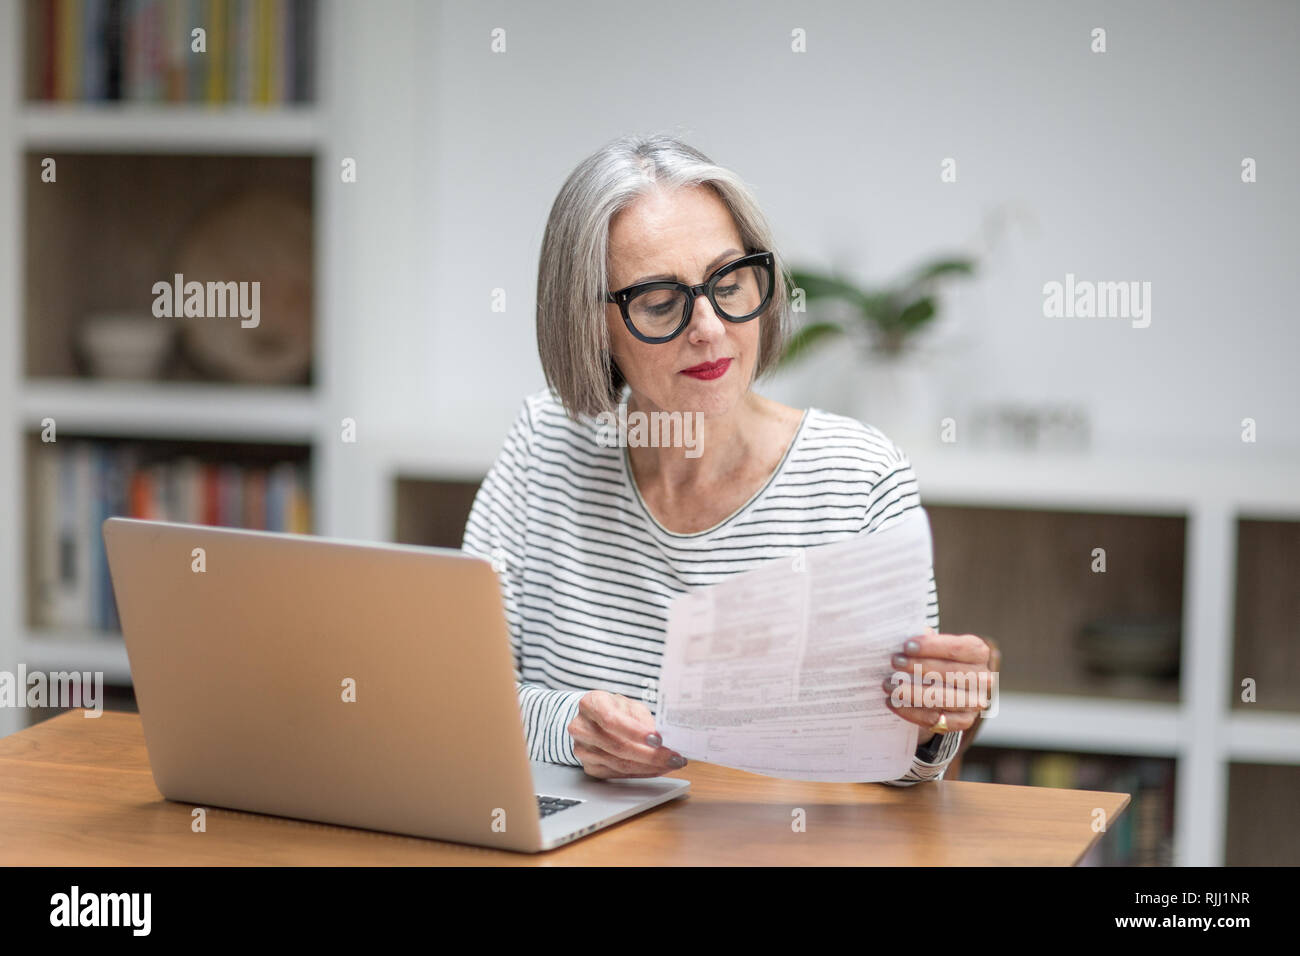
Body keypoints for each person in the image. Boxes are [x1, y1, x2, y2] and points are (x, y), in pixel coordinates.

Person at [463, 133, 995, 784]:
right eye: (660, 302)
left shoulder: (857, 476)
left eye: (729, 281)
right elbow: (458, 695)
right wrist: (570, 729)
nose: (710, 327)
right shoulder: (543, 446)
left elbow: (907, 770)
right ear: (589, 321)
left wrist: (934, 722)